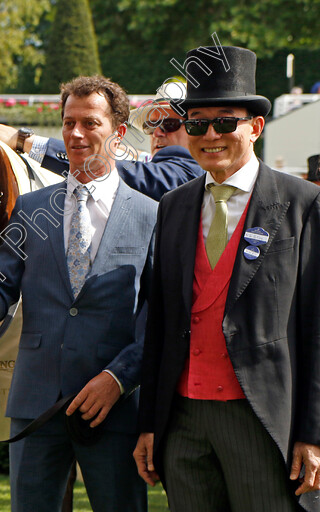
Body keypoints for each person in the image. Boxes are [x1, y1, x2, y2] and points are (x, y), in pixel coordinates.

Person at [134, 45, 320, 512]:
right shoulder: (173, 206)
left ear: (255, 127)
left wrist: (314, 434)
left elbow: (318, 328)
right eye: (196, 123)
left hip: (261, 418)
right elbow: (158, 325)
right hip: (183, 422)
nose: (209, 134)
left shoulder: (302, 203)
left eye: (224, 121)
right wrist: (151, 423)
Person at [0, 75, 156, 512]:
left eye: (90, 123)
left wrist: (119, 379)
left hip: (113, 405)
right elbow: (1, 297)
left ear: (119, 134)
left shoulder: (151, 215)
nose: (76, 134)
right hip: (36, 404)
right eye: (69, 123)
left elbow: (156, 318)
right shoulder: (30, 209)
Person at [0, 79, 204, 201]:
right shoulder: (149, 164)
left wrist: (24, 141)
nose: (157, 133)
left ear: (196, 129)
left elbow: (120, 171)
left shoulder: (190, 172)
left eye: (169, 125)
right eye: (150, 125)